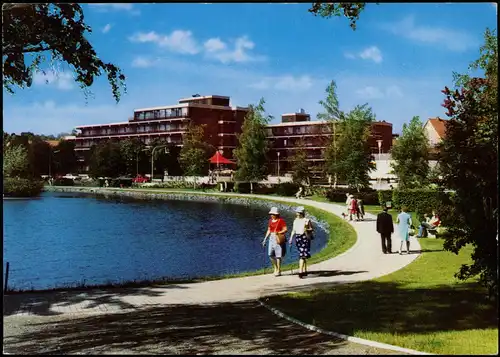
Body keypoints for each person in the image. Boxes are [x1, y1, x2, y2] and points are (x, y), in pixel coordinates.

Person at [289, 206, 314, 278]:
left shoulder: (307, 220)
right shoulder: (295, 220)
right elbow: (293, 230)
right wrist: (291, 238)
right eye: (297, 212)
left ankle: (300, 272)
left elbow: (311, 229)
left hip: (305, 237)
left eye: (298, 212)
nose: (297, 213)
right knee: (303, 253)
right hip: (298, 238)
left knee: (302, 254)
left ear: (301, 213)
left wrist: (307, 229)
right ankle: (305, 270)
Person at [262, 207, 288, 277]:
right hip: (271, 238)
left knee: (278, 255)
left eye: (272, 214)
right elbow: (269, 230)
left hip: (277, 238)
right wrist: (265, 239)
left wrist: (279, 232)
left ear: (276, 214)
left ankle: (279, 270)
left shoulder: (281, 220)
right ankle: (275, 267)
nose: (271, 215)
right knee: (270, 254)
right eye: (271, 214)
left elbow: (285, 229)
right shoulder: (270, 221)